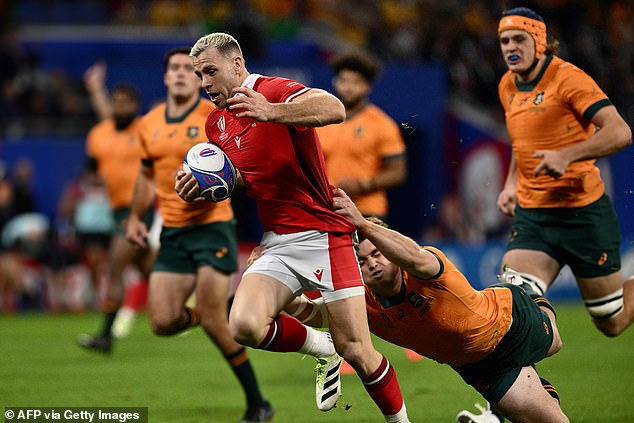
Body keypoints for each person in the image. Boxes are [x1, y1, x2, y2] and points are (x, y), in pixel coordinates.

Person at [176, 33, 411, 422]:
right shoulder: (215, 123)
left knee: (358, 350)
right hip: (278, 240)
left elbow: (333, 107)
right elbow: (247, 178)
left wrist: (271, 111)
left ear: (237, 64)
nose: (204, 83)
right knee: (245, 325)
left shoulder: (272, 90)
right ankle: (321, 347)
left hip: (324, 233)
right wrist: (208, 187)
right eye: (200, 74)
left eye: (211, 71)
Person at [286, 187, 569, 423]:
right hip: (479, 366)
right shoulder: (362, 302)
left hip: (509, 322)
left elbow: (412, 255)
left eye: (378, 254)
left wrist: (361, 223)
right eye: (361, 261)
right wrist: (281, 290)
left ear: (390, 252)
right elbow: (320, 315)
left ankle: (526, 289)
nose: (372, 263)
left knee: (556, 342)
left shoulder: (424, 266)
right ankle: (504, 409)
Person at [125, 46, 273, 422]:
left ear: (197, 78)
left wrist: (223, 180)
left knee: (211, 319)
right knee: (161, 322)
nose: (178, 74)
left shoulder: (214, 114)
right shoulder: (148, 123)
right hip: (173, 232)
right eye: (172, 68)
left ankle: (258, 403)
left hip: (212, 226)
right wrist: (135, 217)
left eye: (185, 69)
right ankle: (213, 314)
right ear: (164, 77)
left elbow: (243, 160)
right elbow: (144, 175)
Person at [495, 7, 633, 337]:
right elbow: (520, 140)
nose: (510, 47)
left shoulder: (568, 78)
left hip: (582, 214)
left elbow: (620, 132)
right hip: (534, 216)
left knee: (611, 321)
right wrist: (511, 182)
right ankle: (528, 381)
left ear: (540, 42)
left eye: (519, 39)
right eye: (504, 41)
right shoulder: (507, 86)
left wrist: (567, 155)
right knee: (515, 296)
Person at [76, 75, 157, 353]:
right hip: (116, 209)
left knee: (115, 268)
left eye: (126, 103)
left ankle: (105, 336)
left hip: (141, 208)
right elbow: (92, 167)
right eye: (116, 102)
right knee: (152, 273)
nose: (121, 108)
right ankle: (204, 313)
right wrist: (96, 89)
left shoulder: (145, 129)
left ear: (135, 106)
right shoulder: (99, 134)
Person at [316, 50, 406, 221]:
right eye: (343, 81)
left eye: (356, 82)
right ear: (335, 82)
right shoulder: (322, 121)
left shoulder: (382, 124)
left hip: (368, 212)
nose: (348, 87)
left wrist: (362, 185)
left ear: (367, 86)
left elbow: (397, 172)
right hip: (328, 209)